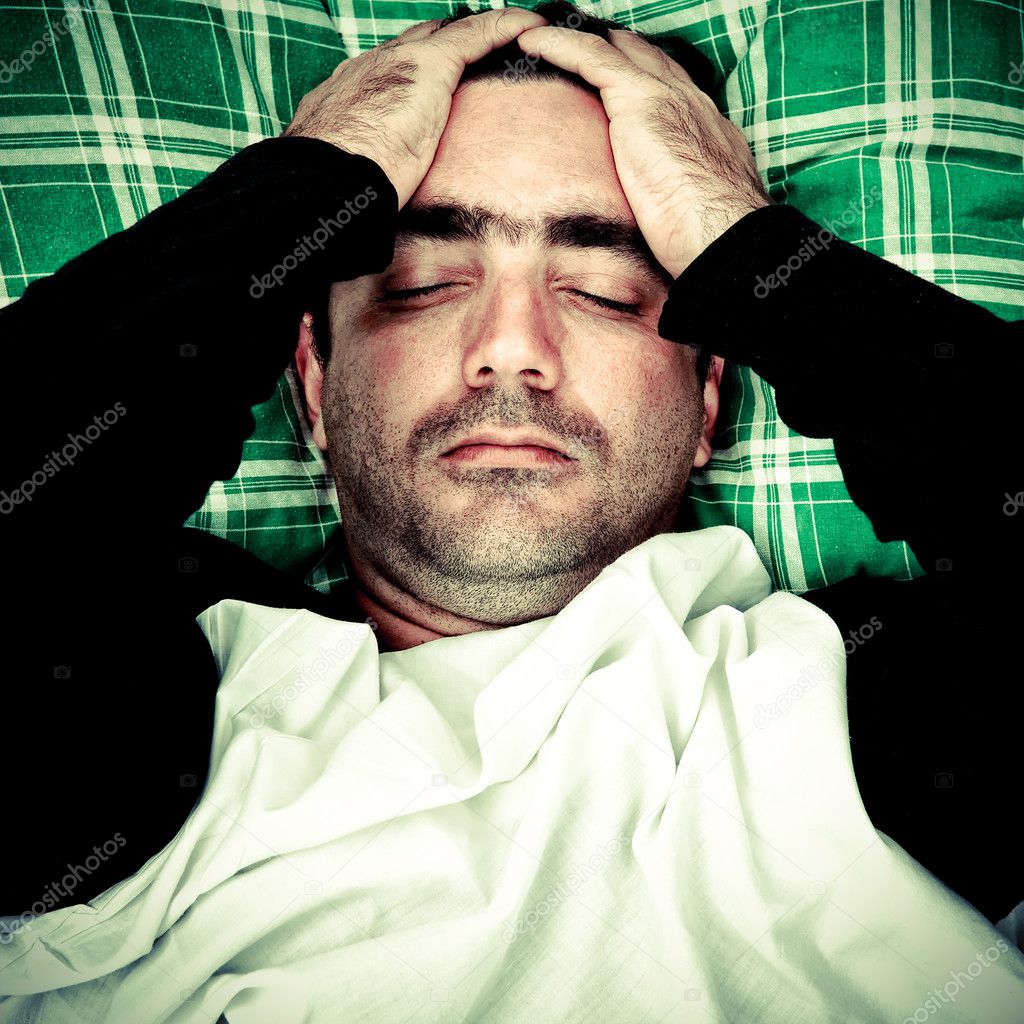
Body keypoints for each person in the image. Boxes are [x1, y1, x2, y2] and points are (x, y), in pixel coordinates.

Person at [0, 0, 1018, 941]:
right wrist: (300, 190)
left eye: (607, 292)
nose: (509, 346)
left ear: (709, 399)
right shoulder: (128, 708)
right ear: (308, 382)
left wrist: (738, 240)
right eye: (422, 284)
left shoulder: (860, 717)